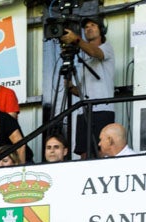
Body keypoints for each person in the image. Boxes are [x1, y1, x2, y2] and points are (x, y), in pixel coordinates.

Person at [58, 16, 116, 158]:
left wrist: (76, 40)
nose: (89, 28)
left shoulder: (106, 47)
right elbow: (84, 92)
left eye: (93, 25)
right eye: (86, 27)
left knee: (102, 151)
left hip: (102, 109)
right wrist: (71, 88)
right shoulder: (82, 54)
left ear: (101, 30)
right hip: (84, 110)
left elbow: (95, 53)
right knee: (83, 153)